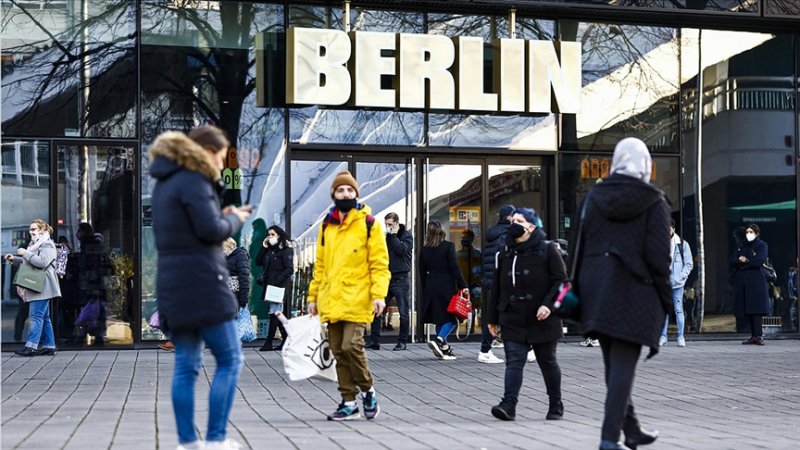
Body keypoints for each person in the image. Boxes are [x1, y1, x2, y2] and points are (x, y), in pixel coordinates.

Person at [150, 125, 252, 450]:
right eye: (221, 158)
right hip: (203, 283)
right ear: (207, 150)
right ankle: (216, 439)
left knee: (186, 365)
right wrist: (234, 219)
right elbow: (210, 231)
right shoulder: (195, 179)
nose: (221, 165)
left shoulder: (165, 183)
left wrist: (218, 214)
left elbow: (189, 227)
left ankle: (187, 443)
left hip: (173, 285)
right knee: (231, 358)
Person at [575, 137, 669, 450]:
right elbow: (659, 259)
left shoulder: (593, 198)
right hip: (635, 294)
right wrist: (666, 300)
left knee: (613, 367)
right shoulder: (654, 201)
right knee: (622, 369)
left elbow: (580, 246)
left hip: (596, 291)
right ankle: (608, 438)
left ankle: (632, 430)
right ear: (645, 164)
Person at [306, 171, 390, 421]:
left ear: (357, 194)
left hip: (358, 297)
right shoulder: (326, 225)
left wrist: (379, 295)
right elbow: (320, 265)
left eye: (350, 191)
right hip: (331, 299)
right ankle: (348, 402)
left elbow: (379, 263)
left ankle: (368, 390)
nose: (345, 194)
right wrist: (313, 297)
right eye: (341, 191)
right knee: (338, 352)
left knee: (351, 346)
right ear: (333, 194)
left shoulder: (369, 223)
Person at [486, 207, 567, 422]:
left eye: (519, 221)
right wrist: (492, 318)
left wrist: (549, 306)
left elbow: (562, 283)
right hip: (513, 317)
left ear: (531, 227)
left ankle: (555, 403)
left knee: (547, 361)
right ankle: (508, 405)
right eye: (512, 220)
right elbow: (497, 287)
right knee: (514, 360)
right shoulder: (505, 252)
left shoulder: (548, 250)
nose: (514, 224)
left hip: (543, 319)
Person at [7, 219, 61, 357]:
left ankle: (31, 346)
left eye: (34, 229)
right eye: (30, 229)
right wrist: (15, 259)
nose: (31, 232)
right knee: (45, 317)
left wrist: (25, 253)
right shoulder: (35, 245)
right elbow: (31, 262)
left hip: (43, 286)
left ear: (42, 230)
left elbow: (42, 262)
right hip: (39, 285)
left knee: (36, 316)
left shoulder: (47, 244)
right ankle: (49, 345)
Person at [420, 221, 468, 361]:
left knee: (439, 318)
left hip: (431, 284)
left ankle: (445, 349)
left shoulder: (424, 249)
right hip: (446, 285)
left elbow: (422, 272)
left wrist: (425, 288)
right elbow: (454, 267)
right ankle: (440, 340)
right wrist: (463, 285)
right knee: (453, 318)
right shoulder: (448, 246)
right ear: (441, 231)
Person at [365, 212, 413, 351]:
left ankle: (402, 341)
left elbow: (401, 250)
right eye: (386, 224)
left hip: (401, 278)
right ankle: (374, 340)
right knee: (377, 309)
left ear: (397, 224)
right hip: (387, 278)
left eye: (390, 225)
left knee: (403, 312)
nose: (388, 227)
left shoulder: (406, 236)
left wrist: (393, 235)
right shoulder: (385, 237)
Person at [480, 205, 515, 363]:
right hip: (502, 280)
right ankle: (485, 350)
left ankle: (486, 349)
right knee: (503, 315)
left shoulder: (494, 234)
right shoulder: (506, 235)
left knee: (500, 314)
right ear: (508, 217)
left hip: (492, 279)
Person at [730, 223, 771, 346]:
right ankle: (753, 335)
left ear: (757, 233)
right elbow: (732, 260)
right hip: (743, 281)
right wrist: (739, 260)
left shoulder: (761, 245)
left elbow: (759, 260)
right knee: (747, 308)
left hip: (756, 280)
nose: (748, 234)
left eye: (751, 232)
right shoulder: (742, 245)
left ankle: (759, 335)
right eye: (747, 232)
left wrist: (746, 261)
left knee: (756, 309)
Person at [255, 225, 293, 351]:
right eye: (269, 234)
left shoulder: (286, 250)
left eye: (272, 234)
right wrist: (264, 246)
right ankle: (287, 340)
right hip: (269, 286)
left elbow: (289, 269)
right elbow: (258, 261)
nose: (270, 237)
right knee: (275, 313)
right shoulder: (269, 250)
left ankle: (269, 342)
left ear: (279, 235)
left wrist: (276, 282)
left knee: (274, 312)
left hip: (279, 286)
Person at [659, 219, 693, 347]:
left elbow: (689, 264)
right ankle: (663, 336)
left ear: (674, 229)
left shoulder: (682, 244)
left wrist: (682, 276)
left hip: (678, 283)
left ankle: (680, 336)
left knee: (679, 310)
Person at [224, 237, 252, 343]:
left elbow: (244, 276)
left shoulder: (240, 255)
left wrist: (243, 297)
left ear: (229, 246)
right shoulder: (227, 257)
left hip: (235, 293)